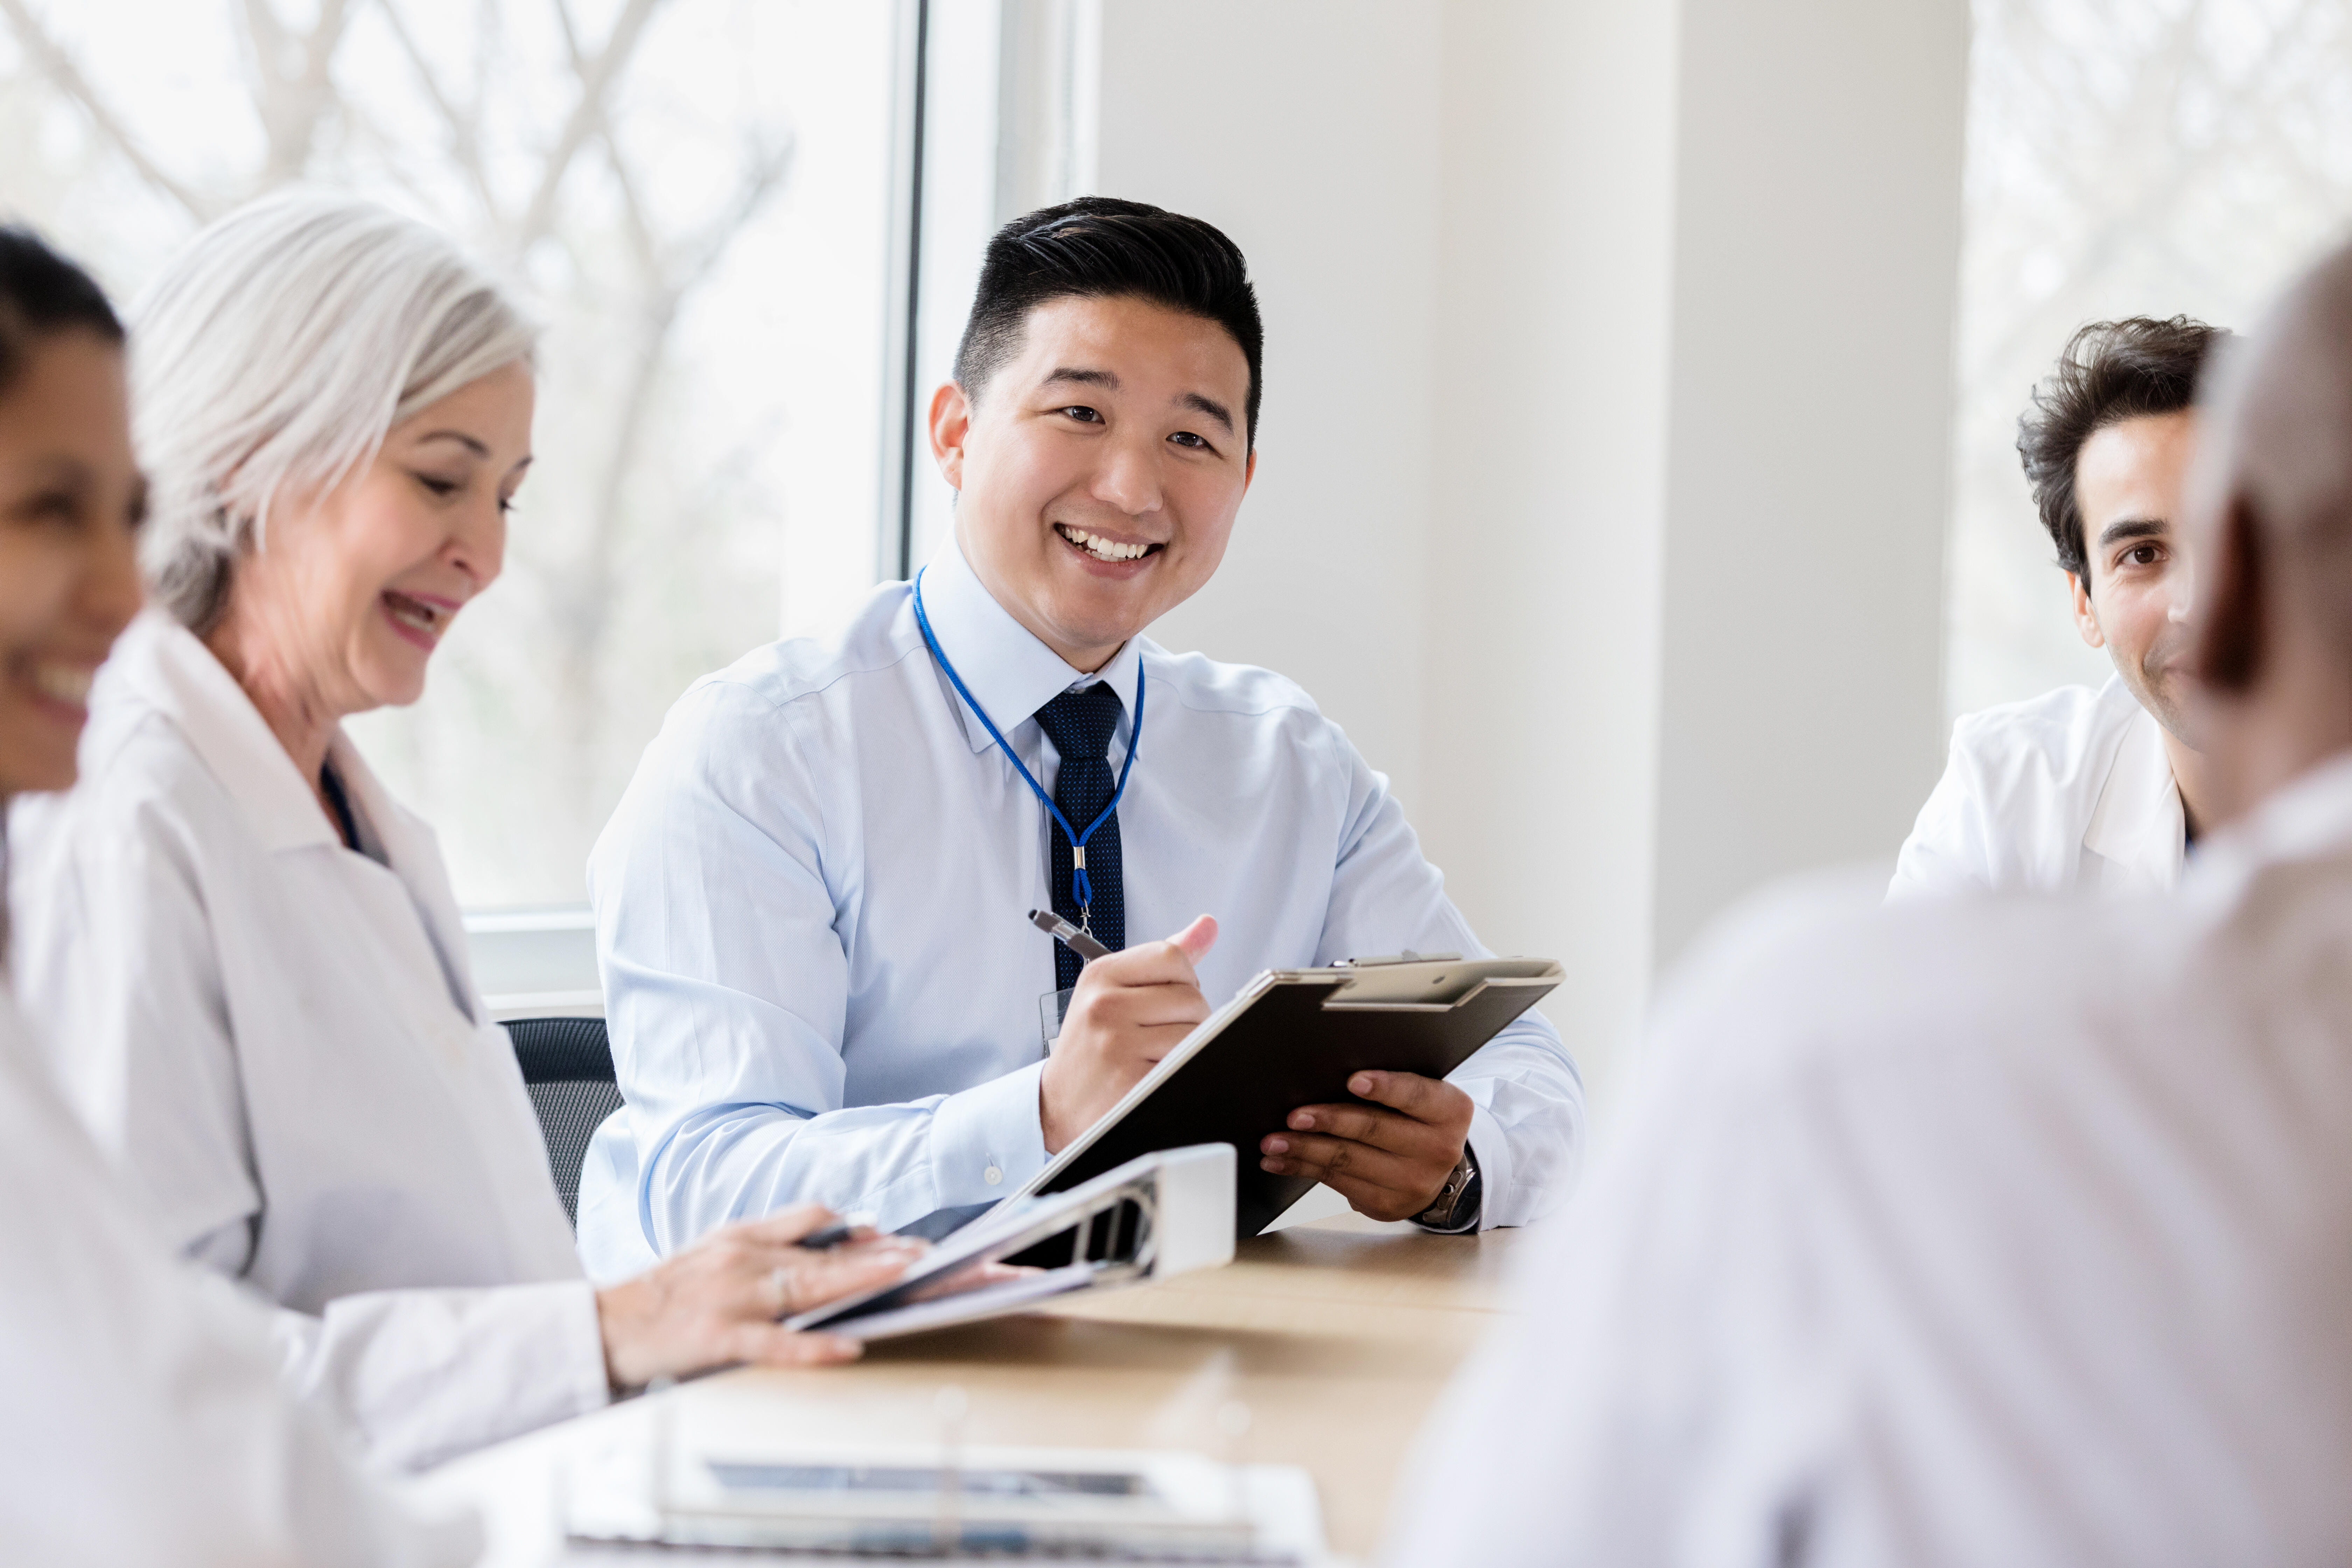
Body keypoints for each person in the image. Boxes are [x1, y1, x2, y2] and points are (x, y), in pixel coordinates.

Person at [1386, 247, 2352, 1564]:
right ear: (2081, 602)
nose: (2180, 600)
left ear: (2247, 584)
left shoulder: (1809, 1038)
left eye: (2211, 542)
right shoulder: (2017, 783)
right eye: (2136, 552)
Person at [10, 195, 921, 1476]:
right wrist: (609, 1332)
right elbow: (147, 1383)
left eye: (509, 496)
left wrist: (644, 1336)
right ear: (249, 454)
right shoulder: (126, 819)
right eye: (440, 479)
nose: (486, 553)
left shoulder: (345, 801)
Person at [576, 197, 1584, 1274]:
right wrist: (1041, 1116)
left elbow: (1531, 1073)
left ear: (1242, 483)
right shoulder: (763, 752)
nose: (1132, 488)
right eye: (1079, 415)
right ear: (956, 434)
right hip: (823, 1392)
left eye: (1192, 438)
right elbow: (704, 1193)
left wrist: (1455, 1167)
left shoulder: (1287, 763)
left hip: (1178, 1373)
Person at [0, 223, 475, 1565]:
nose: (117, 588)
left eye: (129, 518)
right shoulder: (130, 821)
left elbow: (179, 1396)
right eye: (49, 510)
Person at [1892, 316, 2226, 897]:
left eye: (2232, 538)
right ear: (2086, 604)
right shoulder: (2006, 795)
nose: (2196, 602)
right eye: (2143, 554)